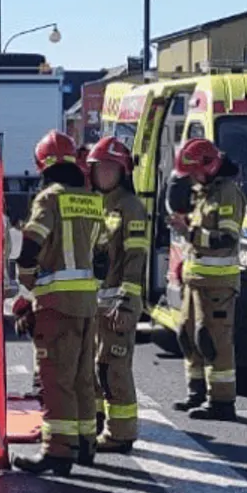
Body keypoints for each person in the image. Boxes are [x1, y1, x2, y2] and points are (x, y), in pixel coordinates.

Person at [9, 131, 103, 476]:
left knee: (55, 380)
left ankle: (58, 451)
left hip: (57, 305)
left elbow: (31, 244)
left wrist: (26, 282)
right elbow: (102, 254)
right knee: (81, 377)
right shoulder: (91, 200)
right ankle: (85, 444)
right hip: (87, 305)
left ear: (42, 165)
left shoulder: (49, 198)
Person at [167, 137, 246, 420]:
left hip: (218, 285)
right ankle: (196, 392)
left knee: (214, 341)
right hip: (195, 280)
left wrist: (188, 232)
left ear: (209, 167)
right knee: (188, 336)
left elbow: (226, 239)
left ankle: (221, 401)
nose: (192, 179)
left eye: (195, 173)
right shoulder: (204, 192)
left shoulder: (228, 193)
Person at [87, 136, 150, 454]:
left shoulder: (131, 207)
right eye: (99, 168)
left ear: (123, 172)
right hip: (98, 302)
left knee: (114, 369)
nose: (104, 174)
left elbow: (135, 260)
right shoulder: (97, 203)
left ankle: (121, 434)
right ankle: (98, 421)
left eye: (110, 169)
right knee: (97, 366)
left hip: (119, 302)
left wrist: (126, 303)